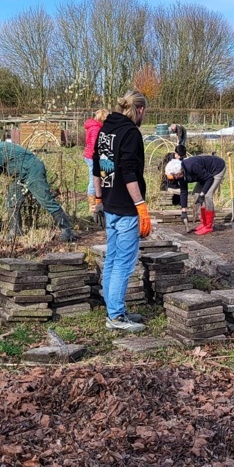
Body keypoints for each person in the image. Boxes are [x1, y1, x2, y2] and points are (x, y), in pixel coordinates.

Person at [92, 90, 152, 332]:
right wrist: (141, 206)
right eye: (144, 112)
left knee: (113, 259)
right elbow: (128, 172)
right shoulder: (131, 133)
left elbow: (97, 168)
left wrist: (98, 198)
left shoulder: (105, 129)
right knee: (123, 264)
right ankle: (115, 317)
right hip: (126, 207)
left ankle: (114, 309)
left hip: (109, 203)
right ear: (139, 110)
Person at [0, 141, 77, 242]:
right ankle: (15, 231)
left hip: (32, 171)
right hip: (21, 176)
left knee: (46, 200)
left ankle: (67, 230)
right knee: (12, 202)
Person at [164, 154, 227, 235]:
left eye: (175, 175)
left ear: (180, 171)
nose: (175, 178)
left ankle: (208, 226)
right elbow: (183, 191)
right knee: (196, 194)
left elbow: (209, 178)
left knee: (207, 195)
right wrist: (183, 211)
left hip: (216, 169)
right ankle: (204, 223)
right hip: (205, 174)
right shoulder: (179, 174)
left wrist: (203, 193)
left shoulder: (192, 166)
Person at [84, 109, 109, 202]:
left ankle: (99, 198)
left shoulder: (94, 126)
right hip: (92, 156)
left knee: (99, 177)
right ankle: (92, 202)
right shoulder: (96, 128)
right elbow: (96, 144)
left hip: (90, 154)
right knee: (94, 179)